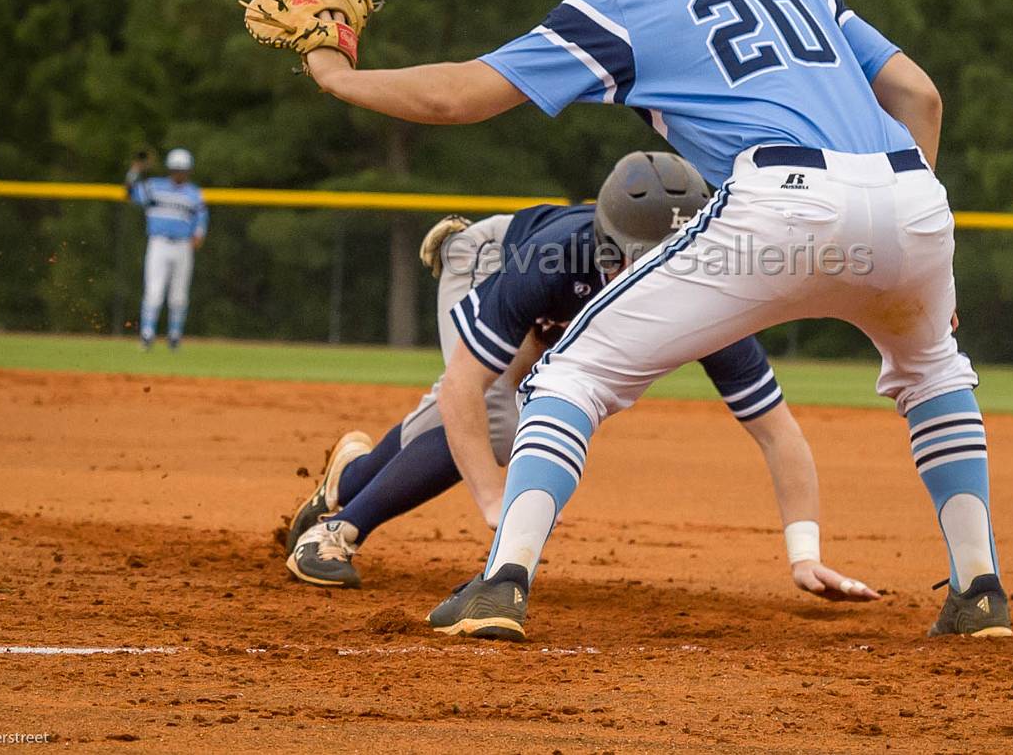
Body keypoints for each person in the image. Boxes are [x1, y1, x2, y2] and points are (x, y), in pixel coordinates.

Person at [295, 0, 1009, 642]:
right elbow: (920, 96)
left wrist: (334, 77)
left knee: (571, 373)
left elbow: (457, 95)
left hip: (779, 200)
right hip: (912, 196)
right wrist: (907, 236)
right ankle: (979, 592)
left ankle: (501, 582)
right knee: (935, 375)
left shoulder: (625, 3)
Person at [284, 151, 879, 606]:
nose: (660, 274)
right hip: (488, 259)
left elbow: (778, 432)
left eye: (678, 256)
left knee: (493, 416)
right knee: (492, 420)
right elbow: (463, 387)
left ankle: (348, 479)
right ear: (605, 245)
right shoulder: (555, 261)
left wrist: (805, 555)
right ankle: (336, 531)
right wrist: (492, 495)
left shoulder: (705, 300)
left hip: (556, 308)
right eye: (644, 258)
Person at [125, 148, 208, 351]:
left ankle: (174, 337)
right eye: (176, 169)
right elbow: (130, 192)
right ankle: (147, 335)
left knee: (179, 295)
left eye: (183, 169)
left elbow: (201, 218)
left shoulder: (194, 193)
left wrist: (199, 234)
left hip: (182, 245)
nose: (179, 173)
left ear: (188, 171)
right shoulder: (155, 187)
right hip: (159, 243)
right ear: (170, 169)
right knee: (154, 291)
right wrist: (135, 170)